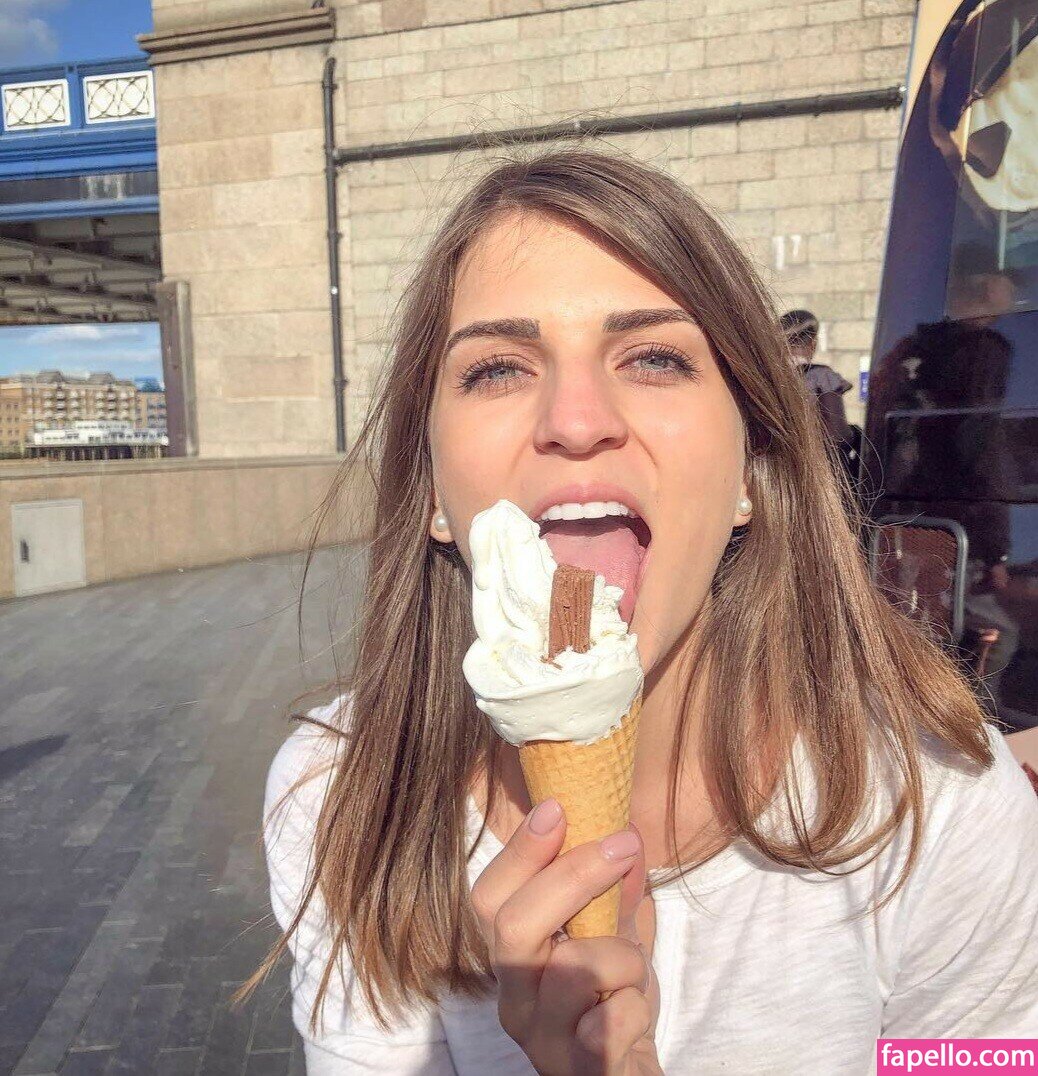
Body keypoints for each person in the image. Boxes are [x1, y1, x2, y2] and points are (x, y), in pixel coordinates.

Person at [240, 149, 1038, 1074]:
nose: (577, 419)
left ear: (749, 473)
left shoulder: (939, 803)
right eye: (497, 369)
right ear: (431, 494)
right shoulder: (340, 796)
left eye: (655, 357)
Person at [779, 308, 861, 487]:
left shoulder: (770, 378)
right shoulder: (821, 377)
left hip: (779, 474)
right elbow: (838, 436)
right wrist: (856, 435)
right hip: (818, 476)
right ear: (813, 344)